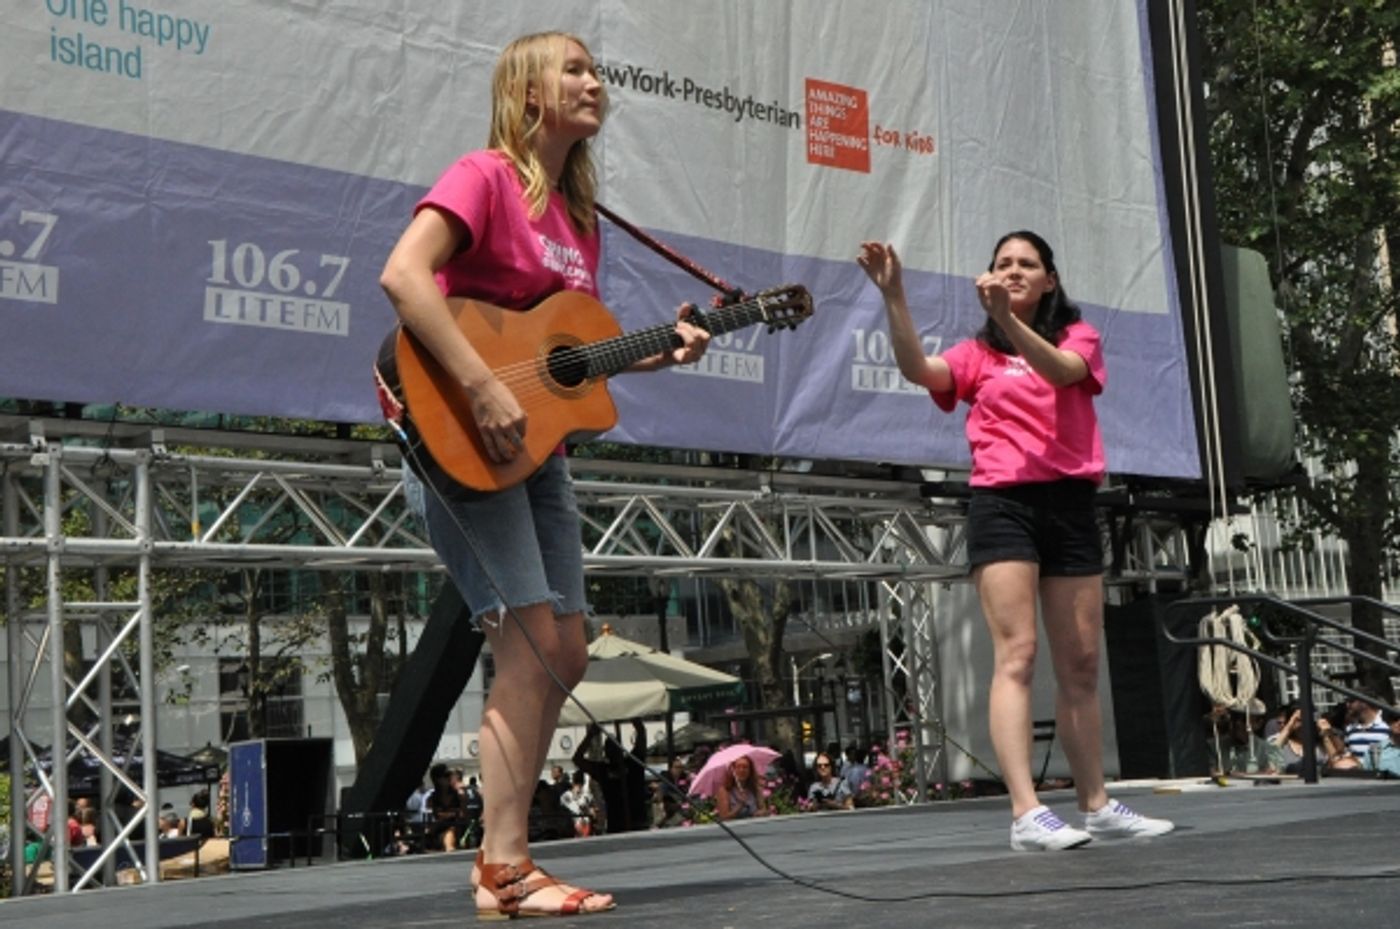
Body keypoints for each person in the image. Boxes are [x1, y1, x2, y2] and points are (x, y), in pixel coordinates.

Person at [378, 31, 709, 918]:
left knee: (562, 648)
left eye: (594, 68)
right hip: (459, 434)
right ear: (527, 94)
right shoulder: (483, 175)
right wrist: (483, 387)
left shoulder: (579, 221)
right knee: (525, 642)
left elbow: (565, 356)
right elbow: (405, 277)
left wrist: (659, 352)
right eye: (574, 69)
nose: (594, 80)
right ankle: (505, 867)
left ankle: (509, 853)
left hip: (537, 452)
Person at [856, 234, 1174, 852]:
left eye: (1027, 264)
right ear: (989, 276)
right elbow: (919, 370)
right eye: (1004, 264)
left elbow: (1062, 373)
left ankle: (1097, 805)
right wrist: (894, 295)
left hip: (1071, 504)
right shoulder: (977, 354)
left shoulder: (1077, 336)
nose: (1014, 271)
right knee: (1018, 654)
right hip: (1003, 505)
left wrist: (1008, 319)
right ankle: (1027, 813)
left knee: (1080, 663)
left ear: (1050, 280)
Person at [715, 755, 768, 822]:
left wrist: (761, 813)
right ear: (733, 770)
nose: (741, 770)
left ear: (750, 771)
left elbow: (764, 810)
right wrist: (740, 805)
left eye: (745, 767)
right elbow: (724, 817)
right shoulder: (725, 790)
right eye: (738, 767)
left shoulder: (755, 788)